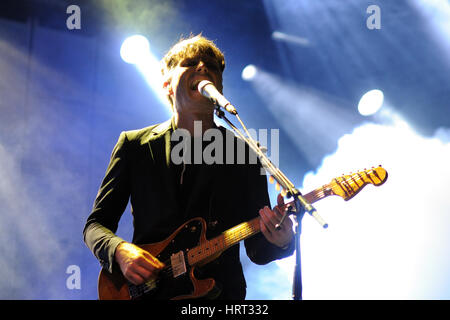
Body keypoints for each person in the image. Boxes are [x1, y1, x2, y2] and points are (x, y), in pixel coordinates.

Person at [83, 34, 295, 300]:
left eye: (212, 66)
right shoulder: (134, 145)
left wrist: (282, 240)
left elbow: (258, 250)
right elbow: (96, 225)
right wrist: (119, 251)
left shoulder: (244, 152)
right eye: (190, 62)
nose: (203, 68)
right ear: (167, 86)